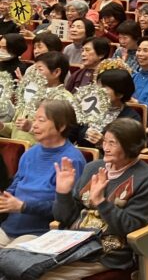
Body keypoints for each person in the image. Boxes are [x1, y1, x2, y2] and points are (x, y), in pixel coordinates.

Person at [24, 118, 148, 280]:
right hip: (72, 243)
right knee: (19, 268)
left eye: (113, 143)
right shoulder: (93, 168)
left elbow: (131, 227)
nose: (106, 147)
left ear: (131, 147)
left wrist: (101, 202)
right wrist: (62, 193)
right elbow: (64, 217)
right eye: (105, 141)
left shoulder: (147, 178)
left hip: (106, 251)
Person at [0, 100, 87, 242]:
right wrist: (4, 197)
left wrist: (24, 206)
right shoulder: (30, 153)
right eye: (34, 119)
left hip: (40, 233)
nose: (34, 125)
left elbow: (67, 209)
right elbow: (16, 185)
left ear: (61, 126)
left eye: (41, 120)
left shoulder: (71, 160)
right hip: (8, 227)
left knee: (8, 256)